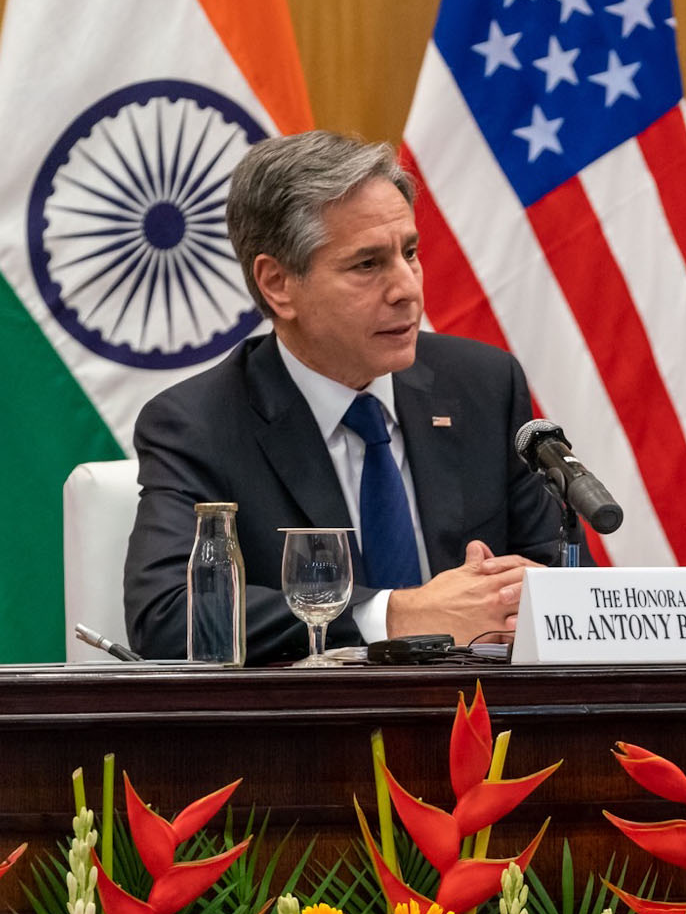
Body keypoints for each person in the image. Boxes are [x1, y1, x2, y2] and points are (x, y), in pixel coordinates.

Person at [124, 131, 559, 664]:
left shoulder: (484, 385)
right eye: (367, 265)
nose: (408, 289)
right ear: (278, 284)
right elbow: (168, 616)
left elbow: (554, 574)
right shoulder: (199, 425)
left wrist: (532, 597)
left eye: (411, 252)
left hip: (481, 723)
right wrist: (394, 615)